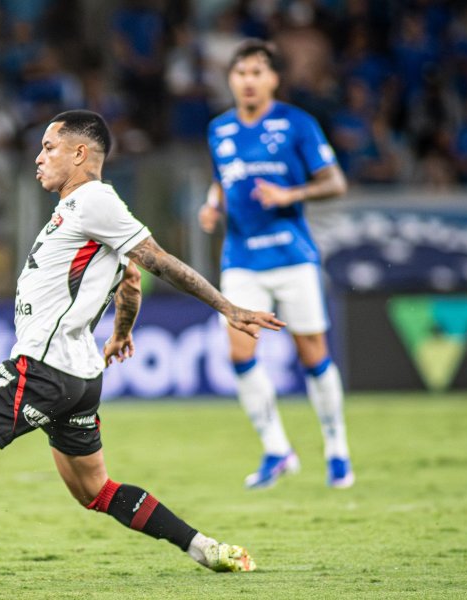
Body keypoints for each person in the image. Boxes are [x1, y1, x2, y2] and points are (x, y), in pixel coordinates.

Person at [0, 110, 284, 582]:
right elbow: (130, 278)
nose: (39, 157)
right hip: (79, 377)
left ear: (81, 154)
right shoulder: (79, 211)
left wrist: (226, 308)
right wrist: (122, 333)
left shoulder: (95, 202)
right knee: (95, 491)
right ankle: (202, 546)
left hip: (43, 367)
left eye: (50, 147)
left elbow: (156, 261)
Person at [198, 39, 354, 490]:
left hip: (292, 256)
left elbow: (335, 182)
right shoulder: (219, 129)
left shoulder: (296, 123)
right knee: (239, 352)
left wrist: (291, 194)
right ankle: (276, 449)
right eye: (241, 72)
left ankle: (337, 450)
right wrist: (213, 204)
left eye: (257, 72)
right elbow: (221, 178)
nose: (248, 80)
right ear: (230, 78)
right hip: (242, 259)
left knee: (313, 356)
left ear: (273, 79)